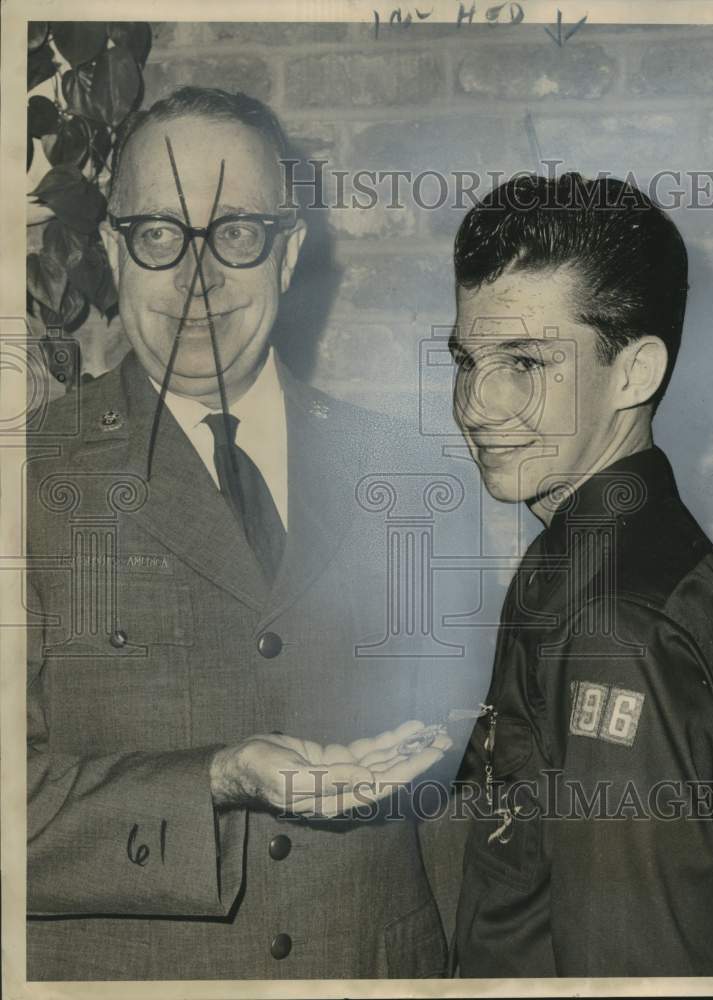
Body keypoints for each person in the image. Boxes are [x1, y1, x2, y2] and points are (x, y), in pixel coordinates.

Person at [26, 87, 467, 980]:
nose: (198, 280)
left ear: (289, 252)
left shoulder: (414, 476)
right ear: (113, 252)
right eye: (158, 235)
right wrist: (216, 777)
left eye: (235, 233)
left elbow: (460, 788)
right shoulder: (27, 481)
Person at [449, 173, 713, 977]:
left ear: (633, 373)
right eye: (467, 359)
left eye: (524, 362)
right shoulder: (602, 552)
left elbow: (632, 970)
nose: (474, 405)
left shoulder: (616, 626)